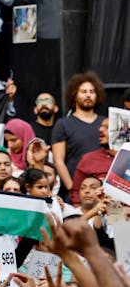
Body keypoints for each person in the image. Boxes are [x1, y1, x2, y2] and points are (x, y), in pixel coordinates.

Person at [52, 73, 105, 202]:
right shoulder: (63, 124)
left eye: (92, 92)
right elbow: (58, 161)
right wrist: (72, 188)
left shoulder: (105, 123)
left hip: (103, 192)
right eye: (83, 91)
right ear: (74, 95)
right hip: (76, 194)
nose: (88, 95)